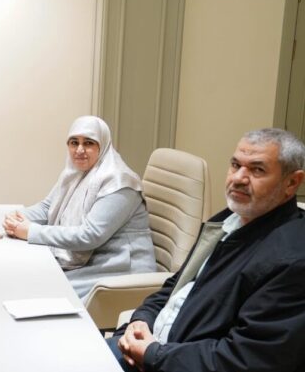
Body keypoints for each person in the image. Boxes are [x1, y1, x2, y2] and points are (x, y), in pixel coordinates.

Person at [109, 128, 305, 372]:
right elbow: (177, 285)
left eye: (257, 170)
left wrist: (153, 355)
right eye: (235, 165)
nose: (238, 178)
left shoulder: (293, 260)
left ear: (292, 182)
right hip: (155, 354)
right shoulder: (227, 220)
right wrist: (140, 321)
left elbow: (246, 359)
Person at [3, 116, 155, 299]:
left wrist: (31, 231)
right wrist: (15, 217)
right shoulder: (75, 172)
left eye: (88, 143)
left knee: (40, 290)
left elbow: (90, 235)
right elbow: (47, 207)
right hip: (92, 260)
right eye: (74, 142)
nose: (79, 150)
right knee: (26, 276)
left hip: (118, 268)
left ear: (103, 145)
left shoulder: (119, 182)